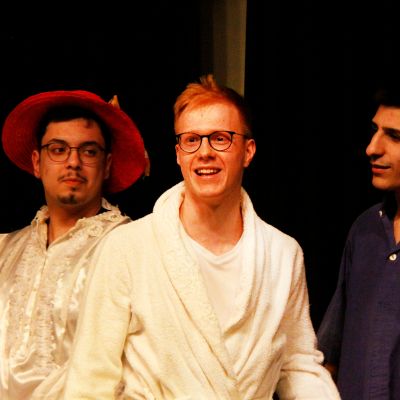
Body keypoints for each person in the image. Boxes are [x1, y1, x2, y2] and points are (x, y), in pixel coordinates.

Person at [62, 75, 340, 399]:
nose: (204, 152)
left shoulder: (282, 255)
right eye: (192, 140)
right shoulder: (128, 248)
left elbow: (299, 367)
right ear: (178, 153)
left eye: (221, 138)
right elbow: (90, 379)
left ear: (248, 151)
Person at [0, 90, 146, 400]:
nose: (73, 162)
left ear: (106, 165)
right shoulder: (5, 249)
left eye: (89, 151)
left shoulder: (133, 246)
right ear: (37, 162)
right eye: (58, 149)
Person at [317, 85, 400, 399]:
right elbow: (329, 356)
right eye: (375, 131)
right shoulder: (366, 231)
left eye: (394, 137)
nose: (372, 148)